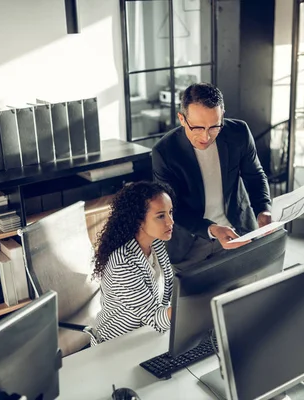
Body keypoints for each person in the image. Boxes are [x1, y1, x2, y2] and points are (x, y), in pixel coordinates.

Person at [152, 83, 272, 271]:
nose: (206, 137)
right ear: (182, 119)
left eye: (214, 126)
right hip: (191, 241)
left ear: (222, 114)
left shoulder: (239, 133)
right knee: (192, 300)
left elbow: (255, 176)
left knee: (242, 295)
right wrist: (212, 229)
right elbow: (174, 208)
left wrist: (263, 208)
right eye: (198, 128)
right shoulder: (165, 152)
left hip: (237, 229)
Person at [92, 181, 175, 343]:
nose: (170, 221)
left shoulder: (156, 244)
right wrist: (194, 307)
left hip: (148, 335)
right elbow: (155, 317)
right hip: (116, 343)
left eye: (170, 212)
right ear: (138, 220)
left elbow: (165, 298)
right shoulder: (122, 264)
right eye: (161, 216)